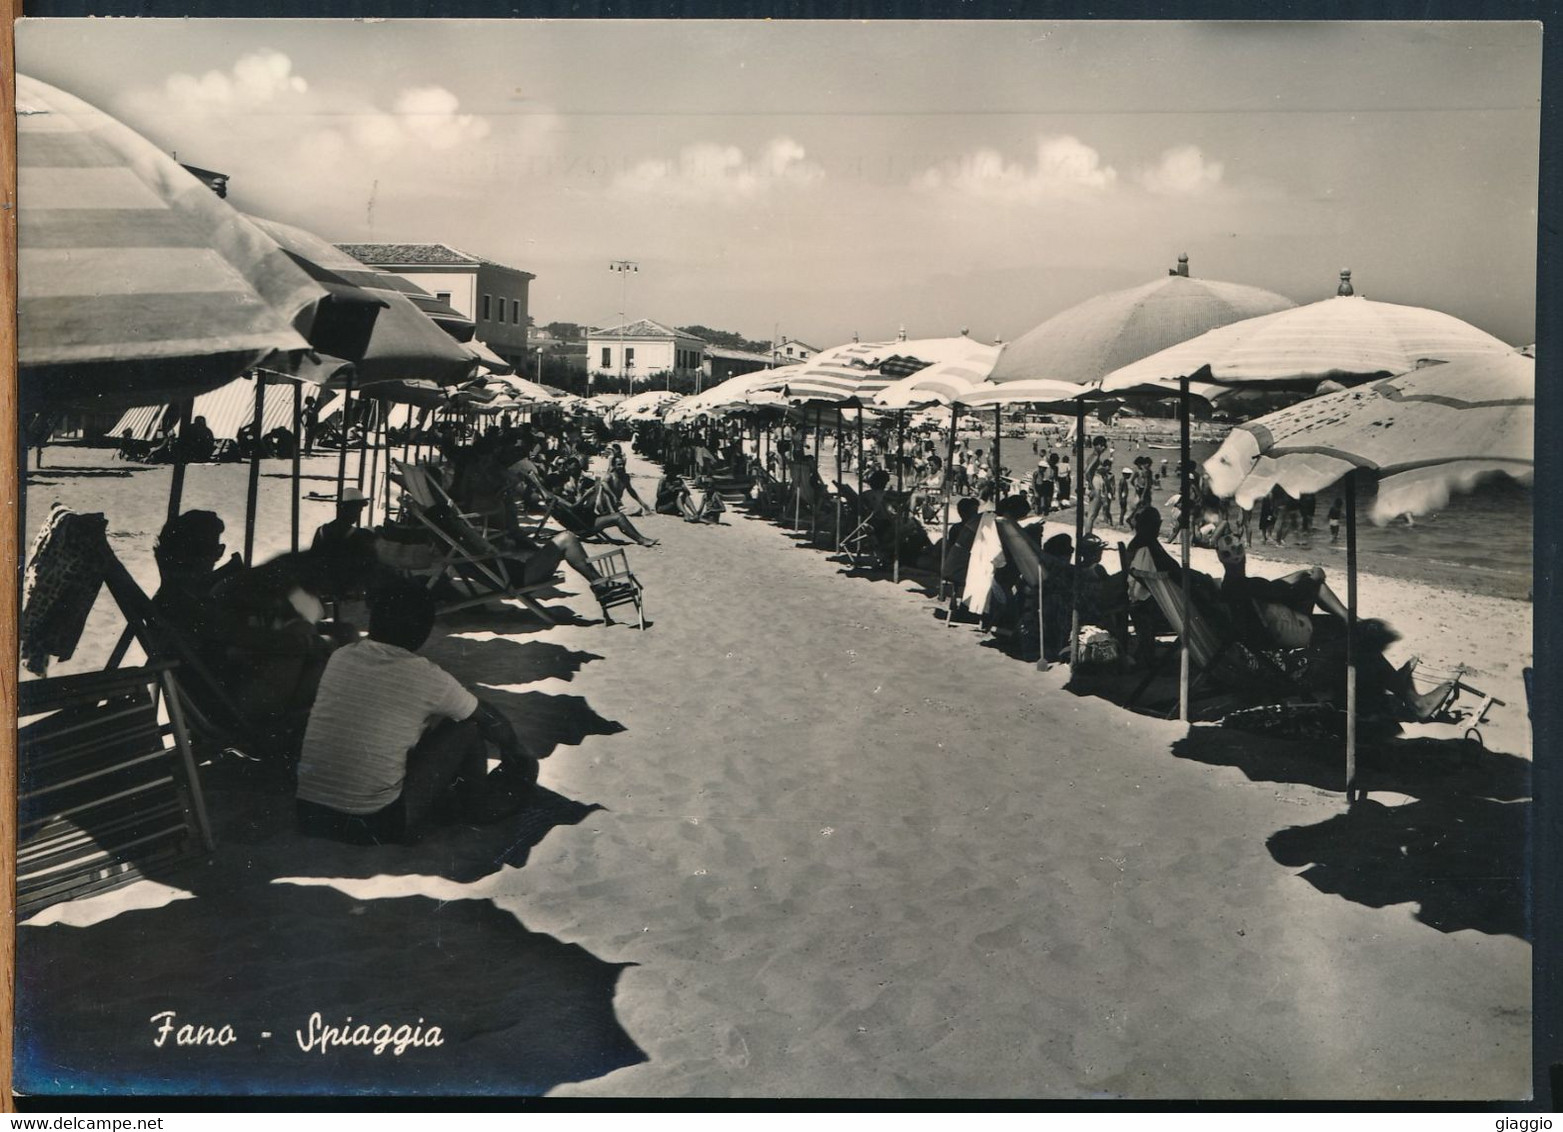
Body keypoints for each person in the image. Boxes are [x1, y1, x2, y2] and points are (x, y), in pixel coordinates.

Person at [295, 579, 540, 845]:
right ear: (424, 631)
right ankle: (476, 807)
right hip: (374, 825)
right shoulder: (427, 676)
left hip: (310, 814)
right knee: (465, 729)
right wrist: (517, 750)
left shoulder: (342, 656)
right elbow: (486, 717)